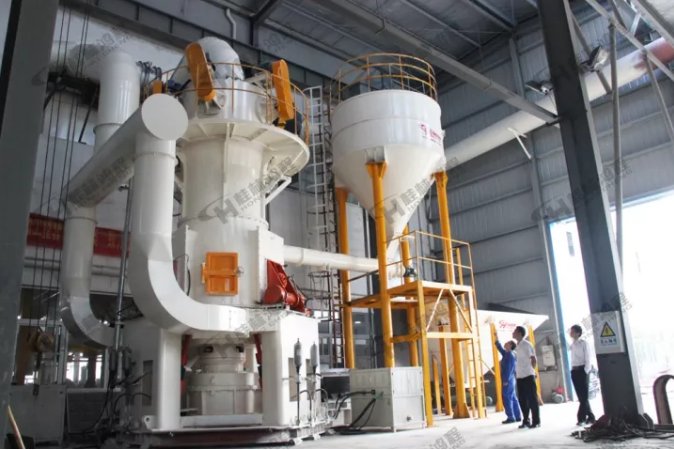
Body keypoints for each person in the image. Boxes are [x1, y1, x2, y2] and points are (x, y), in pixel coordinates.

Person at [513, 325, 541, 428]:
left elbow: (533, 359)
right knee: (522, 400)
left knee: (532, 399)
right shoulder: (517, 346)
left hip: (528, 375)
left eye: (515, 331)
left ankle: (536, 421)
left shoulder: (526, 345)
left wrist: (532, 370)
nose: (513, 333)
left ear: (520, 333)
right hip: (520, 376)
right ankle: (526, 420)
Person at [569, 324, 596, 426]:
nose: (570, 333)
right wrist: (572, 370)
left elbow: (588, 357)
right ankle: (591, 417)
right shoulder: (572, 345)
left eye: (572, 331)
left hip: (582, 370)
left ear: (578, 333)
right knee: (581, 397)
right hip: (574, 371)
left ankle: (581, 418)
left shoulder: (583, 343)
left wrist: (586, 371)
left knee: (584, 396)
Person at [495, 338, 522, 424]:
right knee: (512, 397)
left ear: (510, 346)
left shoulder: (510, 355)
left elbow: (509, 369)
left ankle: (511, 417)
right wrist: (497, 341)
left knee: (507, 398)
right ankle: (517, 416)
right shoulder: (507, 354)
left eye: (507, 343)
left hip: (508, 380)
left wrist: (505, 380)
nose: (505, 343)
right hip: (511, 379)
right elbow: (501, 350)